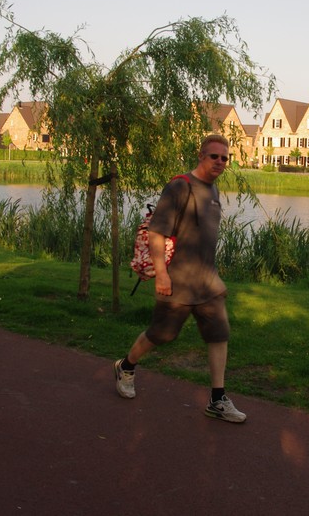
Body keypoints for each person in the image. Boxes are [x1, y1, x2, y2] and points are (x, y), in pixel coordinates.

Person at [114, 134, 246, 423]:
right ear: (201, 156)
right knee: (162, 334)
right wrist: (161, 274)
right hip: (178, 280)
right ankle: (126, 366)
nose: (220, 162)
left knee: (219, 333)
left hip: (207, 282)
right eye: (214, 156)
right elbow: (156, 232)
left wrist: (214, 277)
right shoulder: (179, 186)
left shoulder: (213, 191)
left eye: (225, 158)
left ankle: (217, 399)